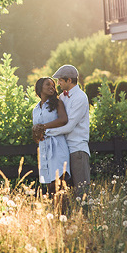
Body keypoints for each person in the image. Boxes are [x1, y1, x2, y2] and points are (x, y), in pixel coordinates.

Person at [49, 64, 91, 198]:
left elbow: (69, 126)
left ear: (69, 80)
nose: (58, 83)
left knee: (81, 192)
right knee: (67, 193)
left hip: (77, 149)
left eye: (60, 80)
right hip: (64, 151)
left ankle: (85, 218)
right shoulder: (62, 97)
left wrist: (47, 132)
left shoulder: (80, 97)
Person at [32, 77, 71, 199]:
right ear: (40, 88)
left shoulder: (57, 103)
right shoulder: (36, 109)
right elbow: (37, 133)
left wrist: (43, 127)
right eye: (48, 84)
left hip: (57, 146)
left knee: (59, 184)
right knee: (49, 186)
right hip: (44, 148)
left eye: (53, 85)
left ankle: (65, 214)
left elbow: (63, 120)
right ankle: (56, 215)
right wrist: (36, 132)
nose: (52, 87)